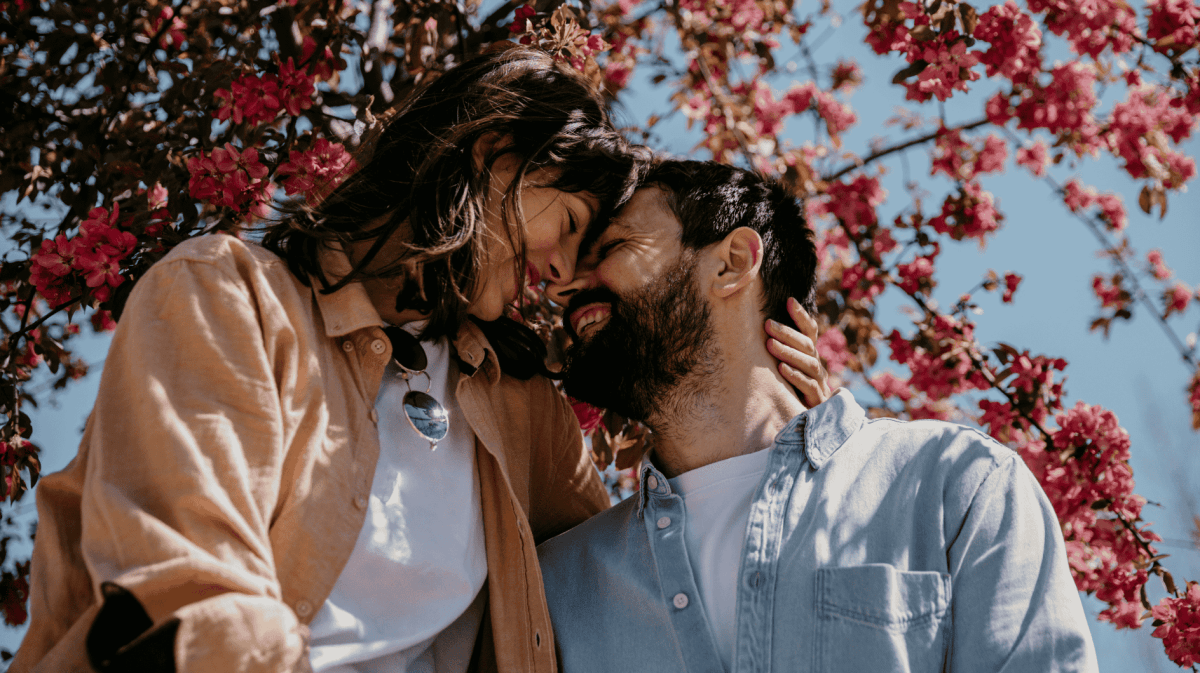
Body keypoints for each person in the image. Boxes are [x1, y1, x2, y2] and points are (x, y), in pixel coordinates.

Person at [12, 49, 829, 673]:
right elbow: (187, 597)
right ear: (494, 153)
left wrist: (791, 433)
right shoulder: (229, 295)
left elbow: (638, 580)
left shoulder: (516, 405)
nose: (559, 275)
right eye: (570, 224)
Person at [537, 159, 1100, 673]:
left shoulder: (953, 484)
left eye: (613, 246)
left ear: (733, 263)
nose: (566, 286)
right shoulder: (558, 583)